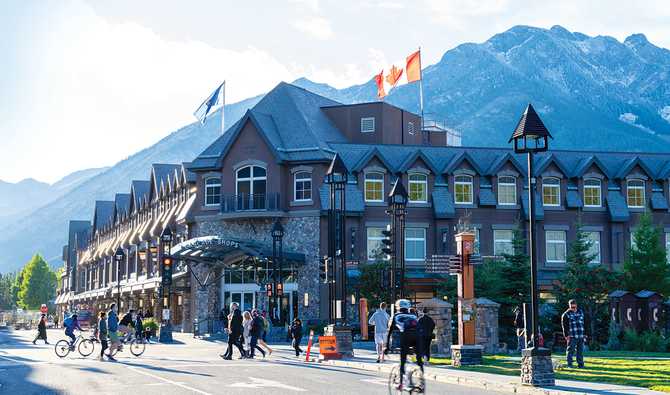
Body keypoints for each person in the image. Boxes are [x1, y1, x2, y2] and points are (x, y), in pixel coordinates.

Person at [384, 299, 424, 390]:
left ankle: (401, 383)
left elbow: (389, 332)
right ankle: (421, 382)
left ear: (398, 308)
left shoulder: (396, 316)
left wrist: (387, 347)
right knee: (419, 361)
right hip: (417, 337)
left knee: (402, 360)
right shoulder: (413, 316)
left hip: (407, 336)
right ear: (408, 308)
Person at [562, 299, 589, 369]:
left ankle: (580, 364)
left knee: (580, 351)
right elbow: (564, 325)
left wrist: (586, 333)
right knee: (570, 351)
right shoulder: (566, 314)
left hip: (580, 334)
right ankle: (569, 364)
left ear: (576, 306)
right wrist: (566, 335)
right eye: (571, 307)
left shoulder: (581, 313)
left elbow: (585, 323)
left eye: (574, 307)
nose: (573, 309)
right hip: (572, 335)